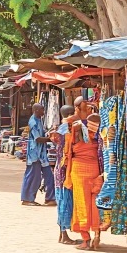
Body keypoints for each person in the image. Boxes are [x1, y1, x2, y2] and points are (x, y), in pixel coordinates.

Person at [65, 97, 104, 250]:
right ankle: (96, 234)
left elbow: (67, 145)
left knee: (81, 203)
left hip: (79, 168)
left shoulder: (72, 124)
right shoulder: (97, 124)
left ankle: (86, 240)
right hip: (94, 167)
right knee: (95, 201)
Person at [51, 105, 77, 244]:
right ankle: (64, 234)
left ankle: (63, 234)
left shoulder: (64, 129)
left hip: (62, 168)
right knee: (64, 201)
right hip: (63, 170)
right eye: (72, 113)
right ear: (68, 114)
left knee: (64, 200)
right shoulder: (65, 130)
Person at [21, 103, 55, 207]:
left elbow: (41, 135)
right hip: (34, 155)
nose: (43, 112)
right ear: (36, 110)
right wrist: (51, 139)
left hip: (42, 155)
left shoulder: (38, 120)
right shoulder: (33, 122)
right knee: (33, 177)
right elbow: (37, 138)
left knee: (49, 176)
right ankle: (27, 199)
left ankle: (50, 199)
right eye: (42, 110)